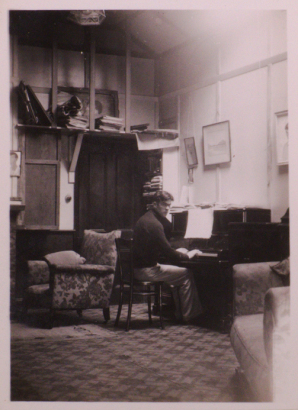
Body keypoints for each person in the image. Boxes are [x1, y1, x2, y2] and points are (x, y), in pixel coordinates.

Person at [133, 190, 204, 324]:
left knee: (178, 273)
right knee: (186, 274)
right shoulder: (154, 224)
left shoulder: (147, 218)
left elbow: (164, 248)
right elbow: (169, 253)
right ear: (155, 204)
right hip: (146, 271)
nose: (167, 209)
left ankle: (180, 314)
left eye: (169, 206)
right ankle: (190, 316)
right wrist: (187, 254)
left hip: (140, 268)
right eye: (164, 205)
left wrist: (176, 251)